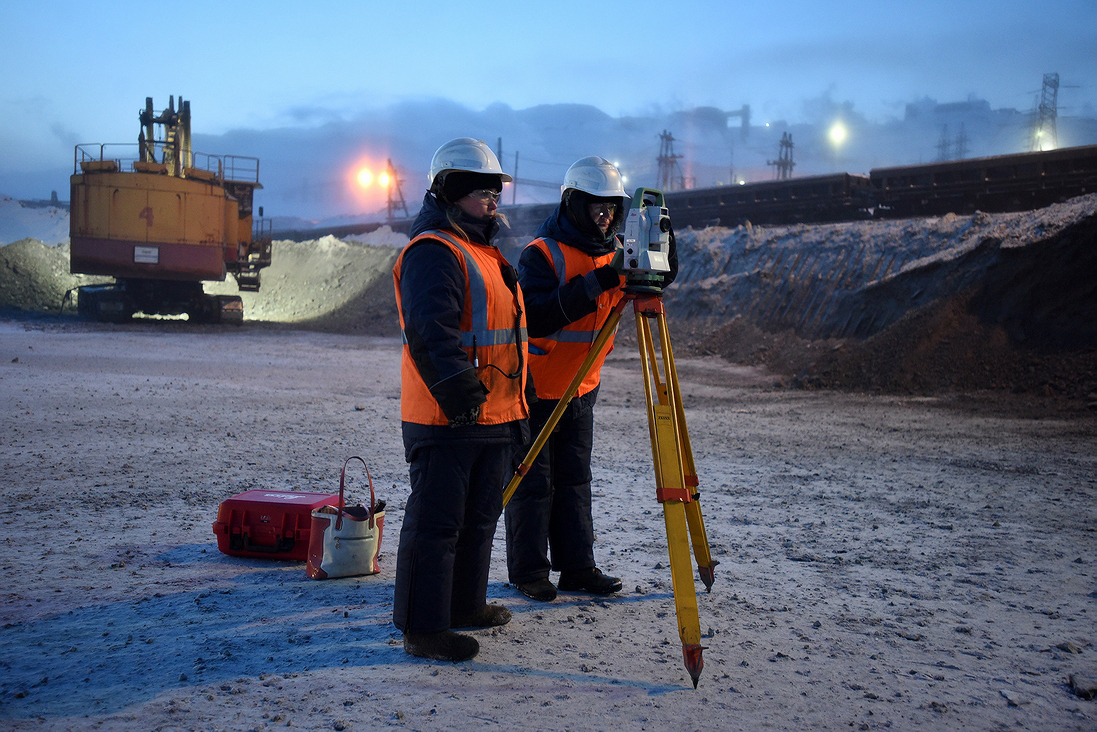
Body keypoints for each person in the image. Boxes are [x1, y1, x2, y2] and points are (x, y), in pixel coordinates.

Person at [504, 156, 677, 602]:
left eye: (612, 207)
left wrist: (664, 247)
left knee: (575, 481)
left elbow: (657, 279)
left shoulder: (619, 249)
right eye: (597, 206)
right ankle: (528, 572)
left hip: (582, 388)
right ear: (574, 204)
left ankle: (578, 567)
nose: (606, 215)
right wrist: (602, 279)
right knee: (532, 483)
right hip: (537, 390)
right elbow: (538, 317)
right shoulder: (542, 254)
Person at [391, 138, 530, 661]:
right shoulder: (435, 250)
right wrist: (459, 395)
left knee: (476, 521)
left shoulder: (484, 253)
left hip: (491, 413)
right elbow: (431, 332)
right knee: (436, 525)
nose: (492, 201)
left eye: (496, 193)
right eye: (481, 192)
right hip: (449, 416)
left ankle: (465, 605)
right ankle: (424, 628)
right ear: (449, 190)